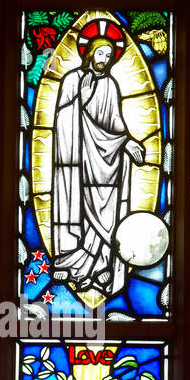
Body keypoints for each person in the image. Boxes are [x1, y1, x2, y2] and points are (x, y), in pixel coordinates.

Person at [51, 37, 144, 294]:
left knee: (106, 213)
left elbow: (115, 123)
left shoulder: (111, 86)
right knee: (75, 206)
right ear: (90, 53)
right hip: (76, 159)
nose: (104, 59)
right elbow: (62, 118)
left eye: (108, 55)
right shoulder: (71, 80)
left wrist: (126, 143)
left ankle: (102, 264)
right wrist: (81, 97)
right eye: (100, 53)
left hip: (106, 162)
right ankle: (68, 260)